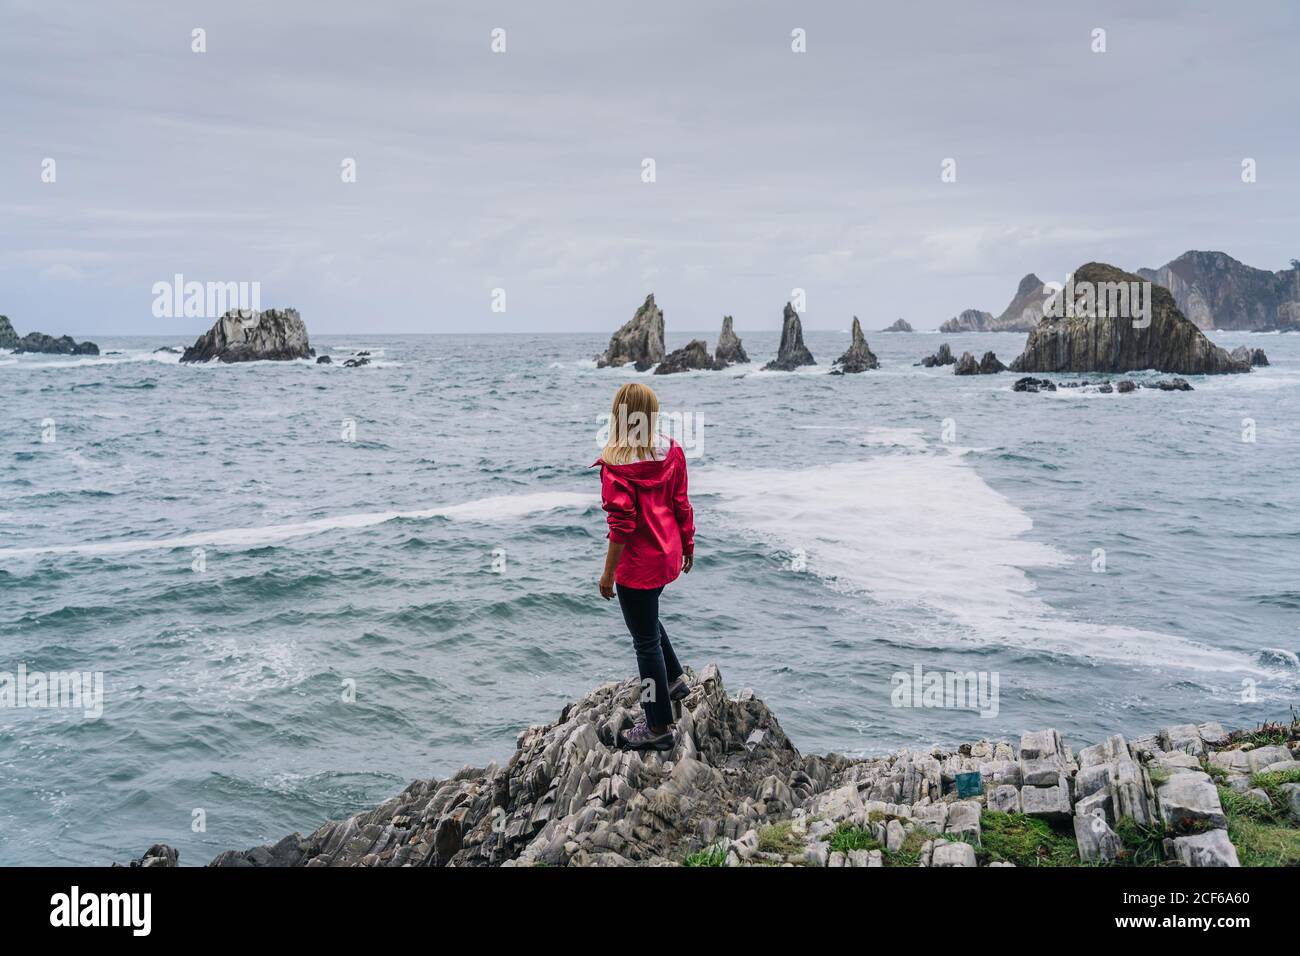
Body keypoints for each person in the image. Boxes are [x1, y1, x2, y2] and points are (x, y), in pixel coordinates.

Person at [593, 382, 695, 751]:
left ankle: (657, 726)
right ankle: (674, 681)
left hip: (637, 567)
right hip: (666, 556)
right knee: (648, 621)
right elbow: (682, 504)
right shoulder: (671, 451)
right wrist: (688, 544)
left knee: (644, 641)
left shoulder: (616, 465)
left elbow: (622, 527)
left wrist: (607, 575)